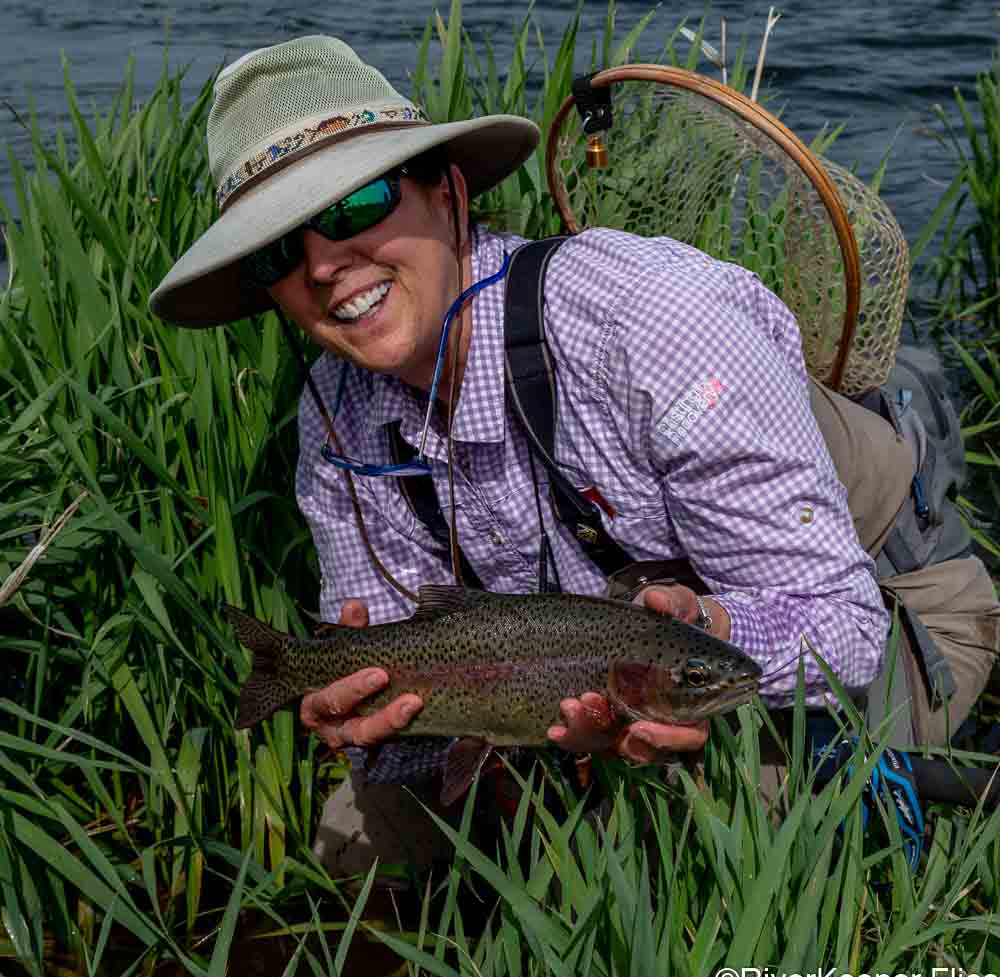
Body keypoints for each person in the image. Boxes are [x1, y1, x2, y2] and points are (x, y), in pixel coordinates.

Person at [150, 35, 996, 880]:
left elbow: (843, 633)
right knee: (366, 834)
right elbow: (412, 643)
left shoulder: (650, 320)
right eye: (278, 251)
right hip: (564, 670)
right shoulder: (337, 413)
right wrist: (366, 710)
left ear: (446, 191)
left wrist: (701, 629)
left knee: (694, 840)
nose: (326, 264)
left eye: (353, 205)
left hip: (884, 616)